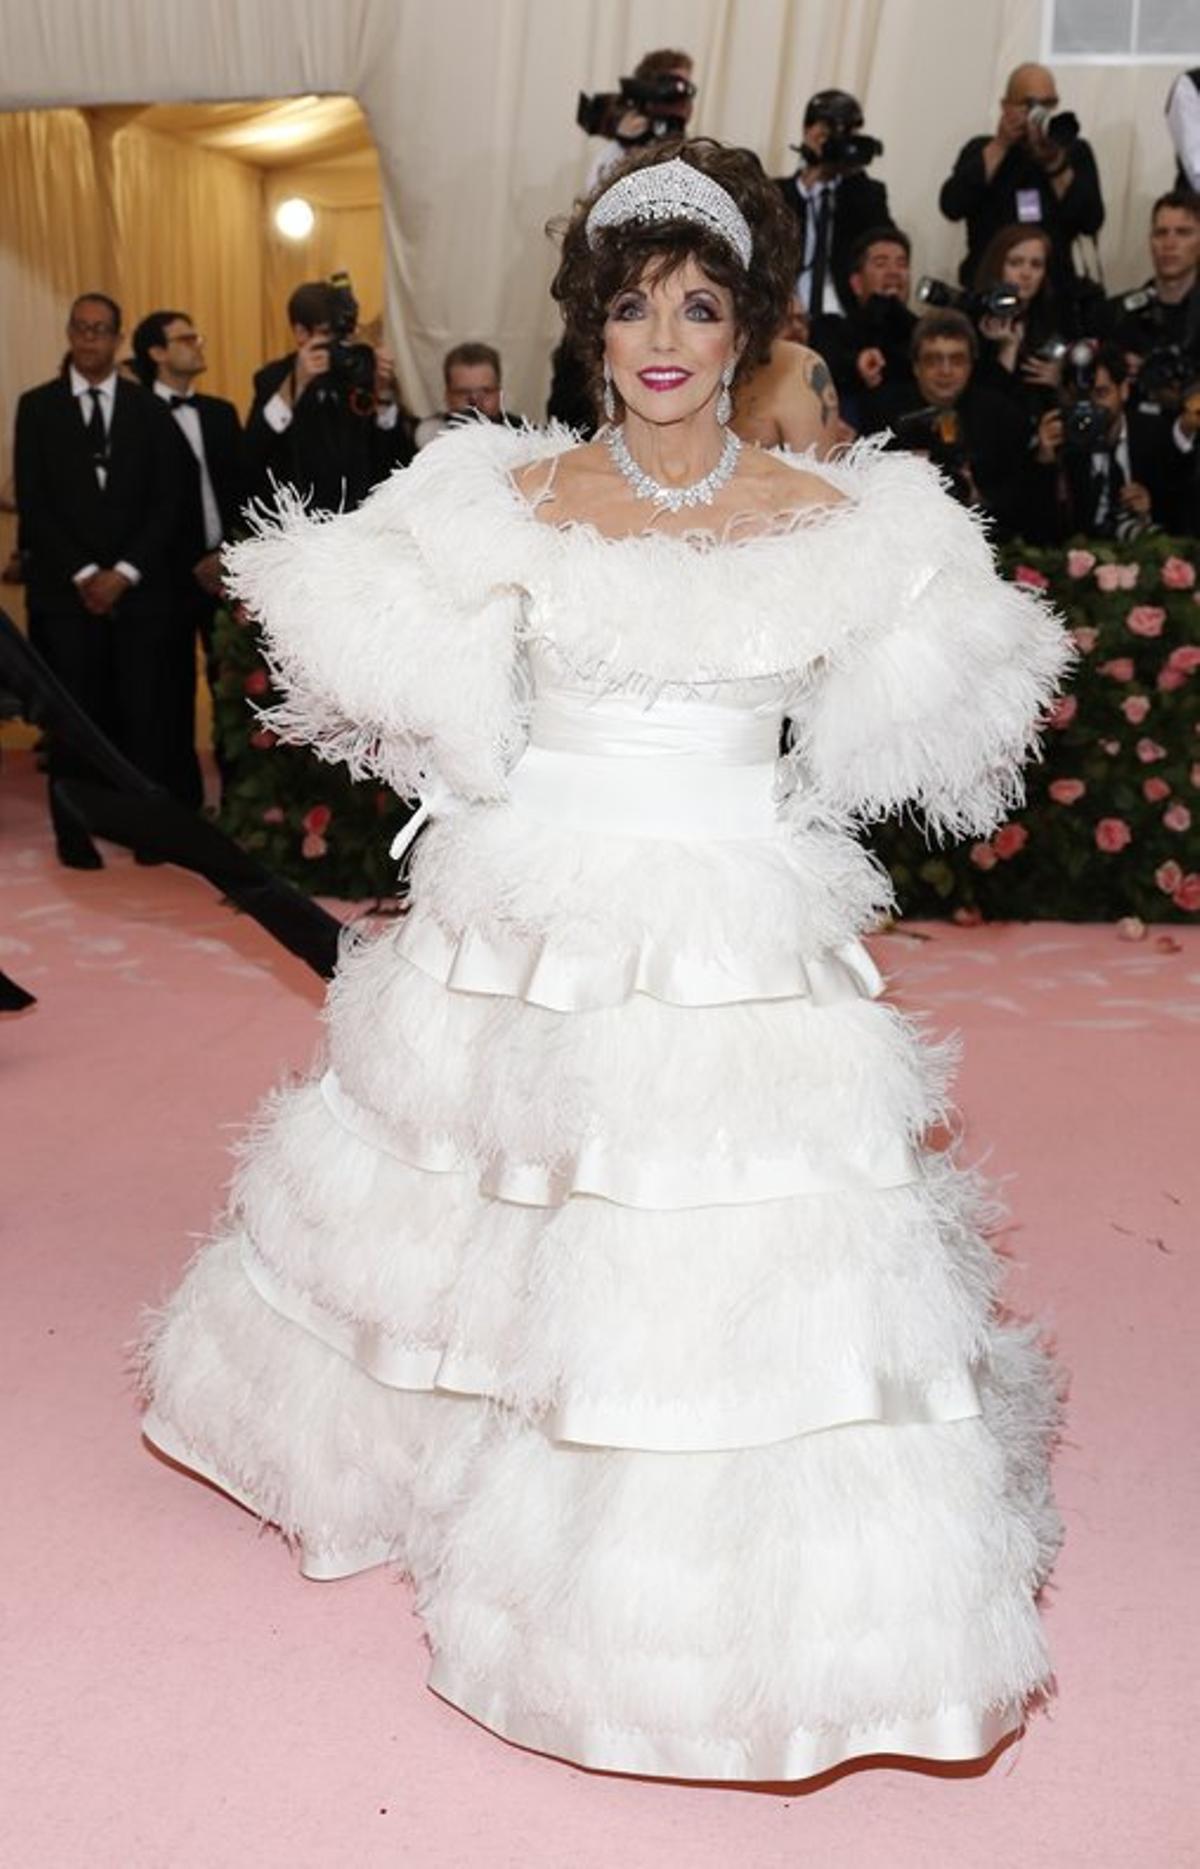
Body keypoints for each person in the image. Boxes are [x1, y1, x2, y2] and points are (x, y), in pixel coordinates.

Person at [139, 139, 1069, 1784]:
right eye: (632, 300)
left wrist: (781, 788)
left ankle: (675, 1593)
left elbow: (935, 703)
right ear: (591, 323)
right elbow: (370, 651)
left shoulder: (841, 520)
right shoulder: (500, 496)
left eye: (699, 304)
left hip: (730, 932)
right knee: (483, 1205)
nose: (663, 334)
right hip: (529, 917)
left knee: (704, 1245)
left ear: (748, 330)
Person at [14, 293, 182, 867]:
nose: (89, 339)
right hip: (67, 596)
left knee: (142, 715)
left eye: (101, 330)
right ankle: (74, 832)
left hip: (139, 596)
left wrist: (125, 573)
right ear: (69, 333)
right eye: (80, 329)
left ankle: (145, 831)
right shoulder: (36, 408)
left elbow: (168, 501)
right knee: (72, 722)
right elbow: (34, 503)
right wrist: (87, 573)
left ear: (117, 338)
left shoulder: (148, 410)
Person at [131, 309, 246, 802]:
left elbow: (243, 489)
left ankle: (240, 797)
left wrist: (225, 553)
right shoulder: (134, 416)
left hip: (225, 570)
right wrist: (186, 563)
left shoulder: (220, 412)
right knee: (169, 694)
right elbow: (135, 504)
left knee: (235, 689)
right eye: (185, 338)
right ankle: (178, 805)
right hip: (164, 577)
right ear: (156, 352)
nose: (198, 344)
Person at [939, 62, 1104, 306]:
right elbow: (952, 205)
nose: (1039, 114)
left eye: (1048, 105)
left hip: (1053, 293)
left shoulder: (1074, 152)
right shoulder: (981, 150)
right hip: (988, 293)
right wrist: (1001, 145)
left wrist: (1054, 162)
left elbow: (1091, 221)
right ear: (1006, 106)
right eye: (1029, 105)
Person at [244, 280, 413, 512]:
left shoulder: (360, 370)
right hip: (297, 521)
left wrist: (383, 393)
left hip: (359, 517)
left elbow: (395, 457)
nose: (338, 345)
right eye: (327, 334)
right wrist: (296, 384)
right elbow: (252, 453)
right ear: (301, 332)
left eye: (343, 336)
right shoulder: (273, 379)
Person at [875, 308, 1036, 540]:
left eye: (957, 360)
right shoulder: (886, 413)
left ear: (971, 365)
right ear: (915, 366)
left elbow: (1020, 499)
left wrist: (978, 498)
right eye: (933, 360)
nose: (945, 371)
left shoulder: (1001, 414)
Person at [1028, 340, 1197, 541]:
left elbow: (1182, 510)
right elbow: (1038, 527)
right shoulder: (1061, 441)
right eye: (1081, 397)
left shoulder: (1156, 434)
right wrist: (1044, 462)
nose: (1091, 407)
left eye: (1101, 393)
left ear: (1124, 389)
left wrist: (1148, 510)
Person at [774, 90, 891, 318]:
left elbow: (885, 244)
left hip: (843, 313)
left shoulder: (865, 194)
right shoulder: (777, 193)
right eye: (827, 133)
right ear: (808, 132)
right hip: (786, 310)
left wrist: (853, 170)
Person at [807, 224, 916, 422]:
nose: (894, 272)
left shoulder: (922, 332)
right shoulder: (831, 328)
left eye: (901, 264)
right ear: (856, 283)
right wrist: (857, 363)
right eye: (881, 263)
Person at [1104, 189, 1200, 411]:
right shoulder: (1120, 313)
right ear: (1150, 241)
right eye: (1161, 233)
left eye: (1183, 233)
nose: (1170, 243)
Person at [584, 47, 696, 192]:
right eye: (674, 92)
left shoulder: (698, 153)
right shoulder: (615, 154)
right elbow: (595, 200)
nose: (684, 101)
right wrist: (625, 147)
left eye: (688, 91)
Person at [414, 342, 524, 449]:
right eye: (463, 392)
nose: (474, 401)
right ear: (447, 396)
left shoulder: (524, 436)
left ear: (499, 393)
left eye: (485, 391)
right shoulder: (427, 438)